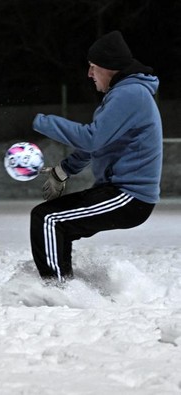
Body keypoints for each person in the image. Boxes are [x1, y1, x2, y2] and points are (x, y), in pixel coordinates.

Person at [31, 30, 162, 283]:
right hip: (120, 193)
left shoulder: (130, 94)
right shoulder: (124, 93)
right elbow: (98, 145)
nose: (89, 74)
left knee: (49, 219)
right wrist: (63, 171)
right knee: (54, 220)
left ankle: (56, 290)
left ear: (109, 67)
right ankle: (62, 283)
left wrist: (40, 122)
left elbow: (92, 138)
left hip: (129, 196)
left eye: (93, 67)